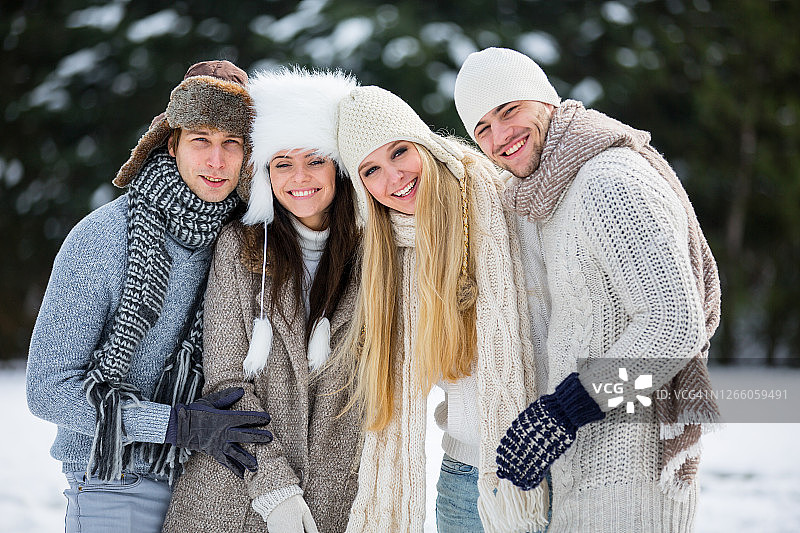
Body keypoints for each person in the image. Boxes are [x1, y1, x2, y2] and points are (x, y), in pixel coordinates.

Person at [454, 47, 722, 532]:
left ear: (546, 101)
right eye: (482, 130)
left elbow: (674, 325)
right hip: (595, 468)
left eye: (509, 110)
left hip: (631, 480)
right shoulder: (556, 189)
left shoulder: (607, 179)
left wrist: (565, 411)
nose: (500, 137)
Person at [26, 60, 273, 533]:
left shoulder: (248, 244)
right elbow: (47, 389)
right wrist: (174, 425)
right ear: (172, 142)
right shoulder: (103, 237)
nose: (216, 161)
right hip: (113, 483)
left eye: (232, 144)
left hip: (212, 489)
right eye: (201, 140)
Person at [336, 85, 549, 533]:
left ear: (424, 143)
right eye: (371, 170)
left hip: (547, 468)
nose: (393, 177)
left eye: (399, 151)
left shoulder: (503, 199)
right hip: (462, 480)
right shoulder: (389, 252)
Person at [162, 67, 363, 533]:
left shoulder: (376, 259)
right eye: (281, 163)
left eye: (314, 160)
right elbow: (226, 380)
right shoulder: (240, 247)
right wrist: (274, 490)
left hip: (338, 503)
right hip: (234, 498)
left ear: (338, 166)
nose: (299, 178)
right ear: (265, 173)